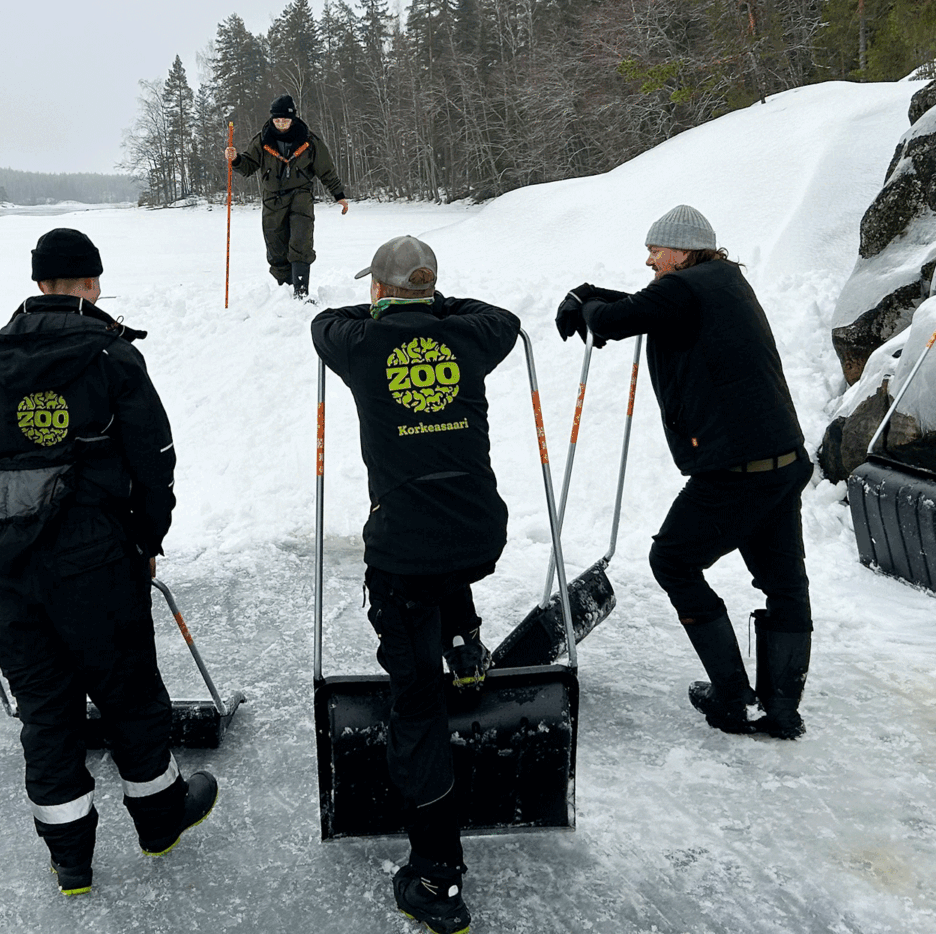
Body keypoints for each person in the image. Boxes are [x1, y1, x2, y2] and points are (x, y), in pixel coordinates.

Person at [0, 227, 217, 896]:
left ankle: (70, 859)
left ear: (40, 284)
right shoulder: (112, 356)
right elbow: (155, 463)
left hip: (14, 568)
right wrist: (146, 541)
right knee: (127, 691)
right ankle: (159, 822)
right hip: (98, 558)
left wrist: (6, 539)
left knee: (45, 708)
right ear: (91, 282)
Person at [311, 235, 519, 934]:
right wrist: (437, 309)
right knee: (446, 563)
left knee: (415, 706)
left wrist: (393, 309)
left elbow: (322, 323)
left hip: (406, 552)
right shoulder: (470, 337)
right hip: (478, 535)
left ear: (378, 290)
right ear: (432, 289)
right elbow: (503, 319)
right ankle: (464, 643)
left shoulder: (361, 345)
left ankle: (436, 875)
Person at [554, 204, 813, 740]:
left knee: (672, 559)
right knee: (784, 583)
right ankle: (782, 710)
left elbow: (615, 320)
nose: (648, 258)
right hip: (782, 461)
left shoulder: (684, 289)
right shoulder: (722, 281)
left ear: (682, 250)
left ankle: (732, 696)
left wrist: (585, 303)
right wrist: (590, 293)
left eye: (655, 250)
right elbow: (647, 305)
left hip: (735, 470)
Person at [225, 93, 348, 298]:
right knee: (276, 248)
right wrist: (236, 159)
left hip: (301, 197)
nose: (281, 123)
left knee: (301, 242)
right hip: (273, 199)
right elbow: (248, 167)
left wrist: (339, 195)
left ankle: (301, 291)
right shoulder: (263, 139)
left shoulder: (309, 140)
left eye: (285, 119)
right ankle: (285, 290)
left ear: (293, 119)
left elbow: (326, 169)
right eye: (277, 119)